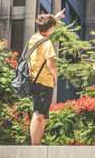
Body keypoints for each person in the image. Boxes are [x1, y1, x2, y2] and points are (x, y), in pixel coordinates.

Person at [28, 9, 65, 145]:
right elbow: (51, 65)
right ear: (51, 28)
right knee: (38, 114)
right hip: (45, 82)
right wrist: (55, 77)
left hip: (35, 81)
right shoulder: (47, 43)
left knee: (43, 116)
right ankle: (35, 146)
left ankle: (37, 144)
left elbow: (46, 26)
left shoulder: (34, 39)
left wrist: (55, 18)